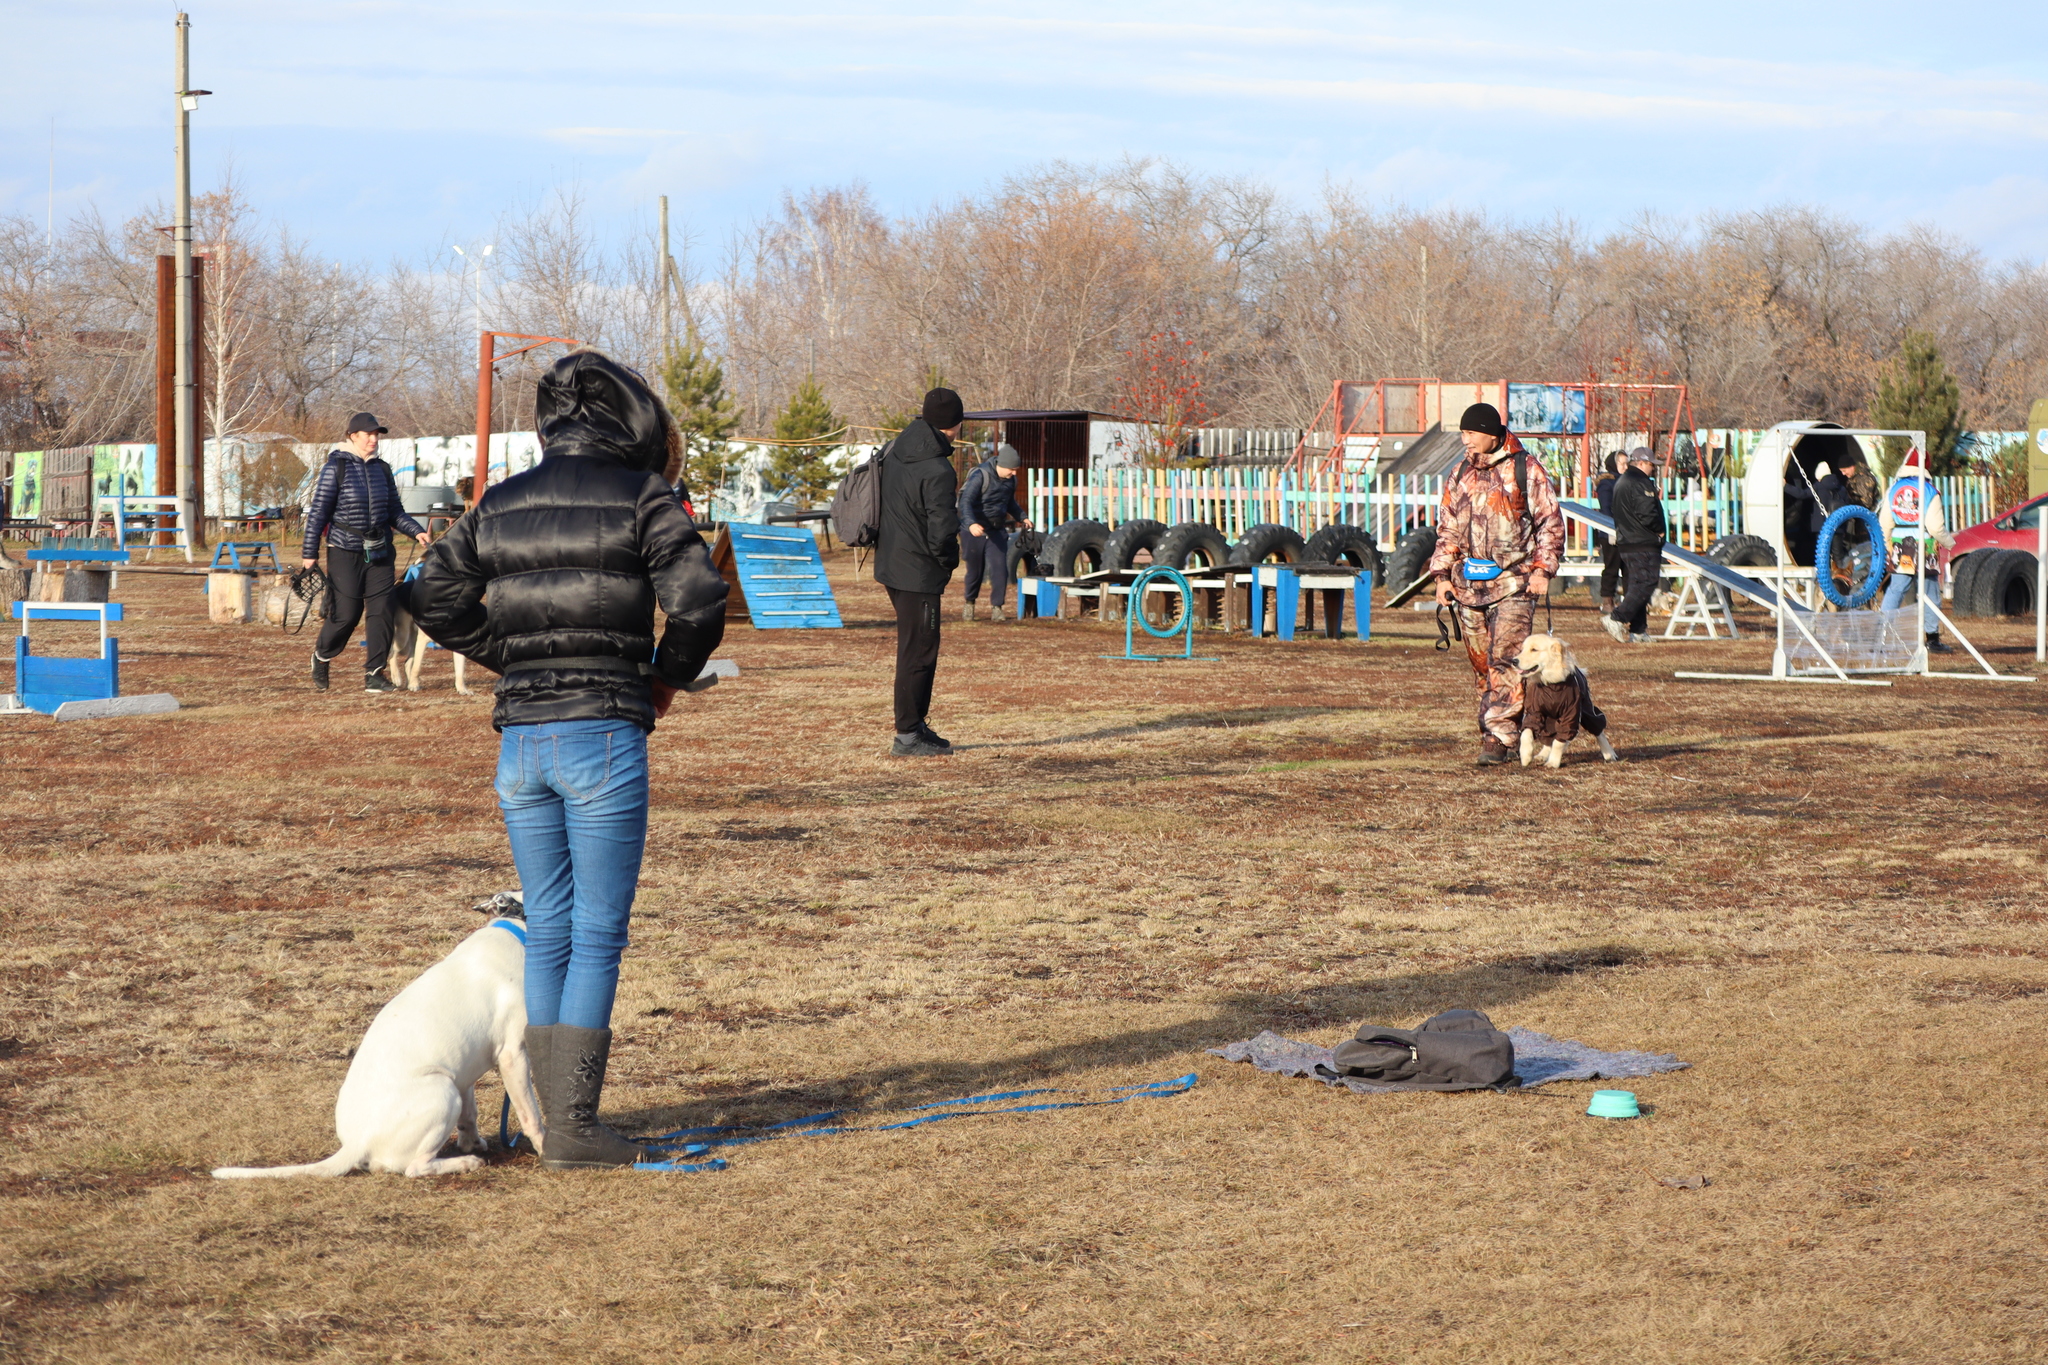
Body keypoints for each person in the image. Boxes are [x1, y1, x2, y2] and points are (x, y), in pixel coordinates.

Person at [408, 349, 729, 1169]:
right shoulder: (644, 496)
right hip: (603, 732)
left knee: (547, 927)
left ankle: (544, 1121)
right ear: (634, 420)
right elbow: (697, 600)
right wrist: (662, 678)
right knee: (597, 932)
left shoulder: (501, 500)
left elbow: (429, 594)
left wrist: (510, 657)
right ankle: (575, 1127)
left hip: (522, 742)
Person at [1428, 403, 1565, 766]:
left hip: (1514, 583)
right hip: (1468, 586)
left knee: (1506, 660)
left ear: (1491, 433)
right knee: (1481, 666)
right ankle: (1499, 729)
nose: (1465, 440)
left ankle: (1499, 738)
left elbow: (1550, 525)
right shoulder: (1459, 473)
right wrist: (1441, 576)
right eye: (1463, 433)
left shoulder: (1526, 469)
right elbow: (1448, 530)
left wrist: (1542, 571)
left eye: (1471, 433)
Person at [302, 413, 431, 692]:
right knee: (347, 613)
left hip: (381, 550)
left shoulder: (382, 469)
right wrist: (309, 553)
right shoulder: (335, 467)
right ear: (353, 436)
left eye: (377, 435)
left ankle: (374, 674)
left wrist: (415, 530)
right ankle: (322, 656)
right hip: (344, 549)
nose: (373, 439)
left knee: (382, 610)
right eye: (368, 434)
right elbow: (317, 514)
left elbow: (394, 511)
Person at [876, 387, 964, 757]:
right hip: (918, 572)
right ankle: (908, 735)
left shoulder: (897, 451)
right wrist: (948, 561)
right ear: (954, 425)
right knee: (919, 653)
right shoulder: (938, 469)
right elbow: (942, 530)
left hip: (893, 563)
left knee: (914, 649)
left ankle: (916, 725)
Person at [1878, 446, 1954, 654]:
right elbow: (1936, 527)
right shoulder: (1930, 491)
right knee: (1930, 592)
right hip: (1925, 546)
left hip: (1900, 545)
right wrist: (1950, 543)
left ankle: (1881, 634)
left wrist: (1887, 547)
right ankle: (1932, 638)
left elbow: (1884, 522)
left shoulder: (1893, 489)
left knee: (1896, 589)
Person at [959, 442, 1031, 621]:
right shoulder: (980, 476)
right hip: (974, 529)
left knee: (1000, 569)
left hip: (996, 530)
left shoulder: (1011, 480)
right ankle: (969, 603)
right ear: (1002, 465)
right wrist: (971, 524)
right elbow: (964, 502)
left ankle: (997, 607)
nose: (1014, 473)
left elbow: (1010, 503)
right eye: (1012, 469)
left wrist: (1022, 517)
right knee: (975, 571)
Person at [1601, 446, 1666, 644]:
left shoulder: (1623, 481)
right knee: (1647, 582)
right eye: (1650, 464)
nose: (1652, 469)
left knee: (1637, 585)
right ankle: (1616, 618)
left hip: (1629, 541)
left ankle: (1638, 630)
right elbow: (1647, 512)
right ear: (1641, 463)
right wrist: (1658, 530)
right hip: (1642, 541)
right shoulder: (1639, 482)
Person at [1593, 452, 1622, 615]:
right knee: (1612, 566)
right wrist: (1612, 528)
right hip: (1610, 532)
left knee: (1628, 567)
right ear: (1613, 464)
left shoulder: (1628, 481)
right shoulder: (1606, 483)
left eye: (1626, 463)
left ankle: (1628, 601)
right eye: (1622, 463)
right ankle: (1608, 601)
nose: (1625, 466)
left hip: (1627, 531)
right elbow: (1606, 507)